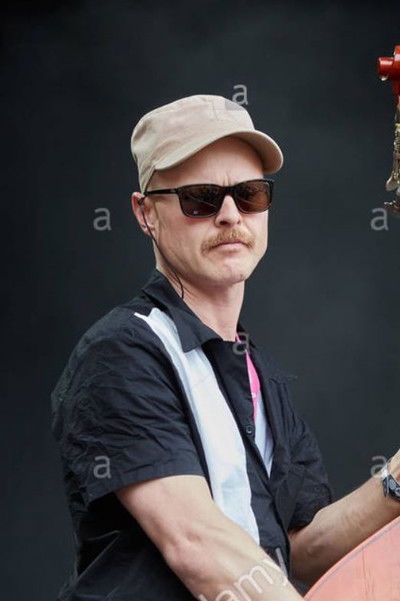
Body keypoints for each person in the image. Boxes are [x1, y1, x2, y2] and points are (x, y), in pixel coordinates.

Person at [51, 94, 400, 601]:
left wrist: (395, 481)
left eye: (250, 194)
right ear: (146, 213)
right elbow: (199, 546)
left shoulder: (259, 374)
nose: (231, 215)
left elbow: (299, 550)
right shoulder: (121, 353)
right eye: (201, 198)